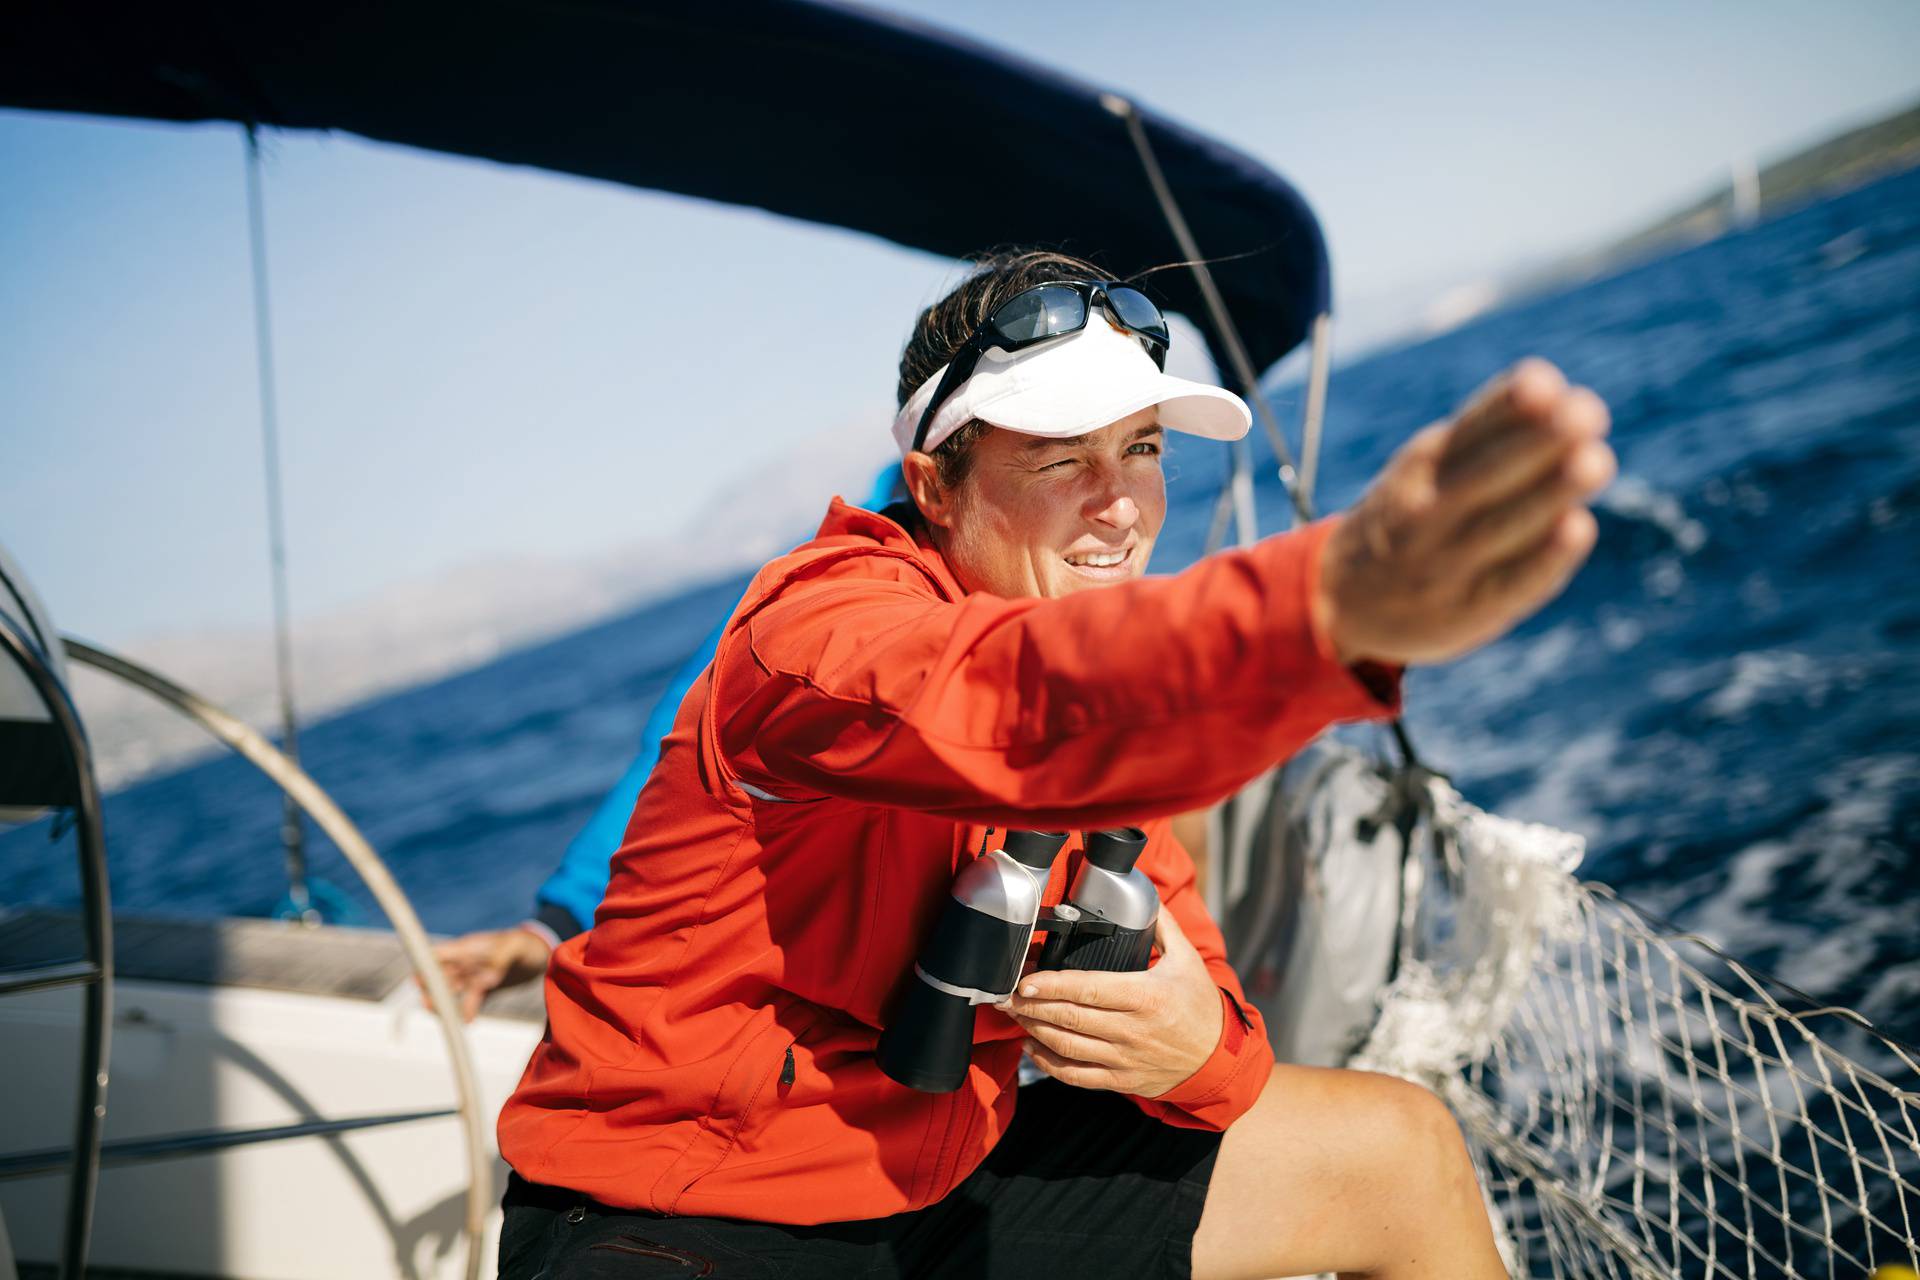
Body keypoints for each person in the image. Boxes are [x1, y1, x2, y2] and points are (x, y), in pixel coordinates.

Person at [493, 248, 1615, 1280]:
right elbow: (1015, 703)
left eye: (1141, 449)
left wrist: (1192, 1047)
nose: (1121, 504)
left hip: (934, 1187)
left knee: (1399, 1151)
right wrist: (1328, 606)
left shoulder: (1105, 741)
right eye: (1061, 458)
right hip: (673, 1209)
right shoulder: (817, 631)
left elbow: (1215, 1017)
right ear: (933, 485)